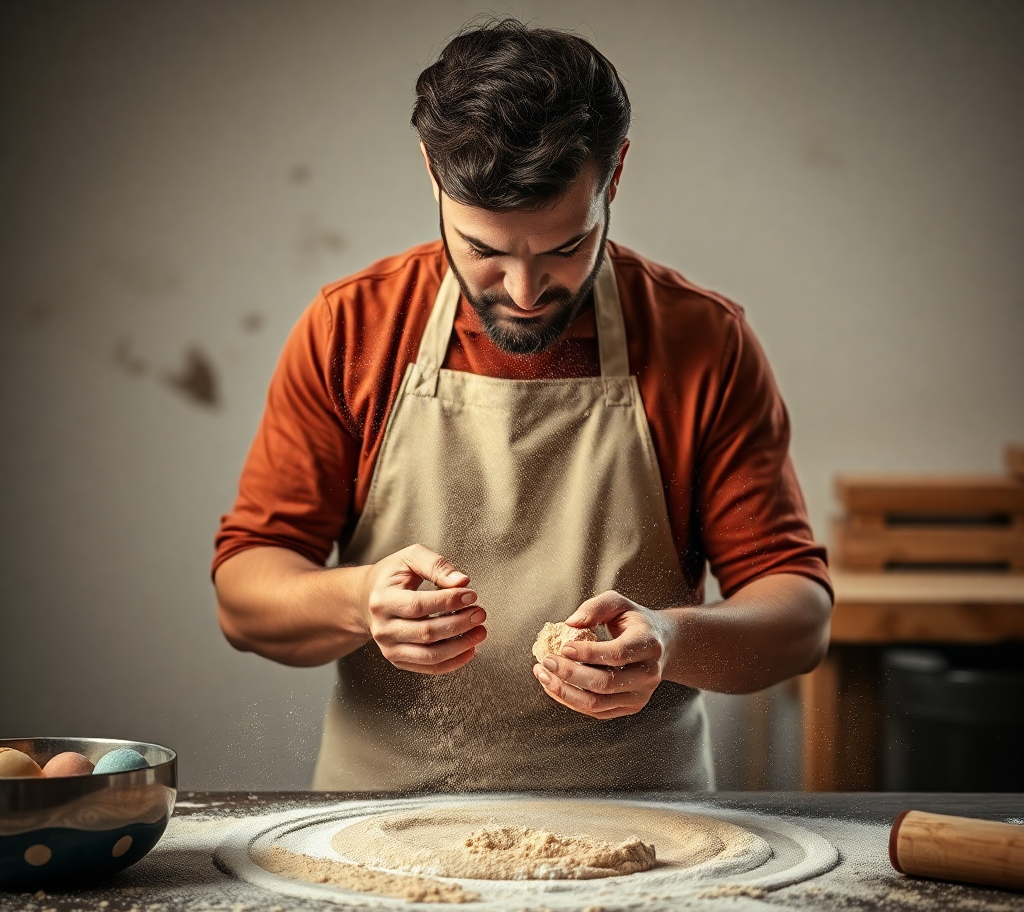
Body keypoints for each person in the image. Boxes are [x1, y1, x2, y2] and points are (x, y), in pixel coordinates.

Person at [212, 18, 832, 792]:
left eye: (566, 247)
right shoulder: (352, 328)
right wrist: (358, 599)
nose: (526, 292)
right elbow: (245, 595)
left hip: (649, 831)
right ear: (432, 175)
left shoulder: (703, 339)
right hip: (379, 824)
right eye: (483, 250)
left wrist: (671, 641)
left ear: (616, 175)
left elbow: (800, 618)